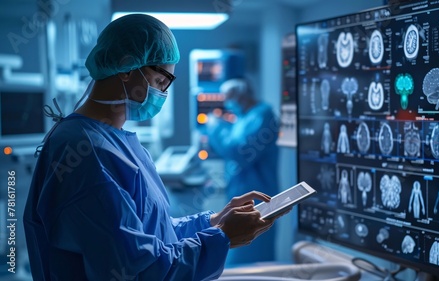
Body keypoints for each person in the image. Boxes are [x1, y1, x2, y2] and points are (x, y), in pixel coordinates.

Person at [23, 14, 281, 281]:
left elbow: (153, 235)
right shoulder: (87, 151)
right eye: (161, 81)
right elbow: (138, 270)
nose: (163, 93)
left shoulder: (117, 141)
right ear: (125, 67)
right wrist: (221, 238)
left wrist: (214, 222)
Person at [205, 78, 280, 266]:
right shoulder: (244, 118)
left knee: (251, 261)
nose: (228, 103)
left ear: (242, 95)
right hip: (241, 194)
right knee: (236, 254)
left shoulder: (263, 115)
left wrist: (215, 126)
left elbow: (239, 152)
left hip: (259, 199)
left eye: (230, 98)